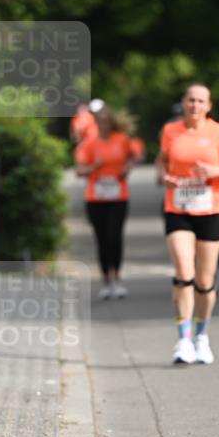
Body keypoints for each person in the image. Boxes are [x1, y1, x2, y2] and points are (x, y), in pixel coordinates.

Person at [156, 83, 219, 365]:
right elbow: (161, 161)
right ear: (183, 103)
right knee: (184, 273)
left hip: (210, 210)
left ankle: (201, 336)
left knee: (205, 281)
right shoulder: (170, 131)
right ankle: (183, 340)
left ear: (208, 106)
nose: (195, 105)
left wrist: (214, 171)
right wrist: (164, 175)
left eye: (200, 101)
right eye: (190, 100)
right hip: (178, 208)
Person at [75, 105, 142, 300]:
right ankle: (106, 280)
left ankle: (117, 278)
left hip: (118, 196)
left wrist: (127, 168)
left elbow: (135, 156)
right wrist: (94, 167)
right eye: (101, 122)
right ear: (96, 123)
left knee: (114, 236)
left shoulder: (122, 140)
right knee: (101, 238)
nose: (104, 125)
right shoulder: (89, 144)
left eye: (107, 122)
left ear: (112, 123)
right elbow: (79, 171)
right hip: (95, 198)